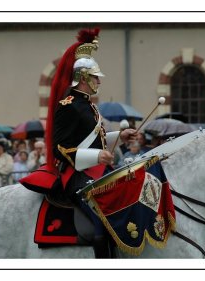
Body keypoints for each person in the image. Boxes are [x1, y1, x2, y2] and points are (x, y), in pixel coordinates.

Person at [45, 28, 137, 258]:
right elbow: (61, 147)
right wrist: (98, 157)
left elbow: (97, 140)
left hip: (96, 171)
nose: (99, 81)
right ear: (84, 78)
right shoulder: (68, 105)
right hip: (76, 175)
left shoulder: (88, 105)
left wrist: (119, 136)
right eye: (96, 77)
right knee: (103, 216)